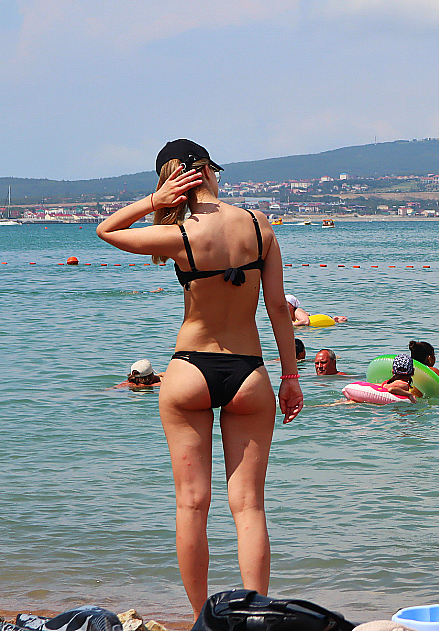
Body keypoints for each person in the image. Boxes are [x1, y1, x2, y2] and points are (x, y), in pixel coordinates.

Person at [95, 138, 302, 611]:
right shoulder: (258, 225)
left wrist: (154, 202)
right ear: (211, 171)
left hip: (189, 370)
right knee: (248, 507)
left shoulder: (180, 234)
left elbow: (107, 230)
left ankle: (199, 621)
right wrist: (291, 378)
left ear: (172, 180)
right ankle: (255, 618)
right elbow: (276, 310)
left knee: (192, 505)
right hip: (250, 374)